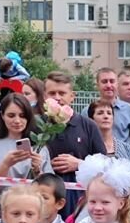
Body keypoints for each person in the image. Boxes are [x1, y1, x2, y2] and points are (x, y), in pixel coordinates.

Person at [41, 71, 108, 214]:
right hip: (44, 199)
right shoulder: (38, 126)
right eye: (52, 93)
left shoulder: (88, 126)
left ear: (72, 96)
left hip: (79, 199)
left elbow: (104, 164)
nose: (57, 98)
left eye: (62, 93)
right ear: (45, 97)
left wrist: (79, 164)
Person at [0, 94, 49, 188]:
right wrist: (6, 165)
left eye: (22, 116)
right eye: (11, 115)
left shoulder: (39, 147)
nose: (17, 121)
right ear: (2, 115)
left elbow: (49, 187)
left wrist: (37, 171)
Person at [84, 68, 130, 164]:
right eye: (104, 82)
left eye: (112, 81)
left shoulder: (129, 110)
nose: (109, 85)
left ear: (117, 84)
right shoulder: (86, 111)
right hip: (96, 162)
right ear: (97, 85)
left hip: (124, 162)